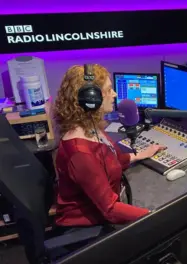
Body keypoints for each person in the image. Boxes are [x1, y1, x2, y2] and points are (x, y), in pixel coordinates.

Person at [53, 64, 165, 229]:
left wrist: (138, 155)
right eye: (109, 90)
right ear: (92, 99)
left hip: (104, 210)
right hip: (88, 227)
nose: (115, 94)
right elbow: (110, 209)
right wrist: (155, 217)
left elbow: (112, 158)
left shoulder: (90, 127)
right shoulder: (80, 153)